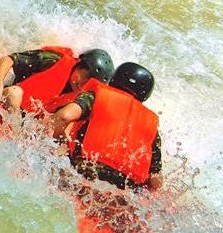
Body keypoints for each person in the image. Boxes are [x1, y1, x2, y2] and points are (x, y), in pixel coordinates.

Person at [46, 62, 163, 190]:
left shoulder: (95, 96)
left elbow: (63, 117)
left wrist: (62, 148)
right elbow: (155, 180)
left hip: (85, 174)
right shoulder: (151, 124)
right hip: (124, 191)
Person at [0, 47, 114, 114]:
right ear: (79, 65)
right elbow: (8, 59)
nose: (83, 86)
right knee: (13, 93)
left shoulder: (83, 98)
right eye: (85, 78)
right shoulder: (53, 60)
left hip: (29, 122)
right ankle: (14, 140)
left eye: (89, 83)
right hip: (10, 99)